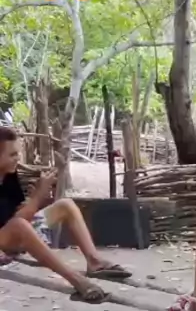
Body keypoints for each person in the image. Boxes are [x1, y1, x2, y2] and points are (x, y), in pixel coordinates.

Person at [0, 125, 131, 302]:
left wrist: (36, 199)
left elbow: (20, 213)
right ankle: (76, 279)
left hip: (14, 231)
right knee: (20, 225)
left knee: (65, 204)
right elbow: (18, 222)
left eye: (18, 153)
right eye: (12, 155)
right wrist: (37, 197)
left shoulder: (8, 176)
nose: (18, 158)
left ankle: (94, 261)